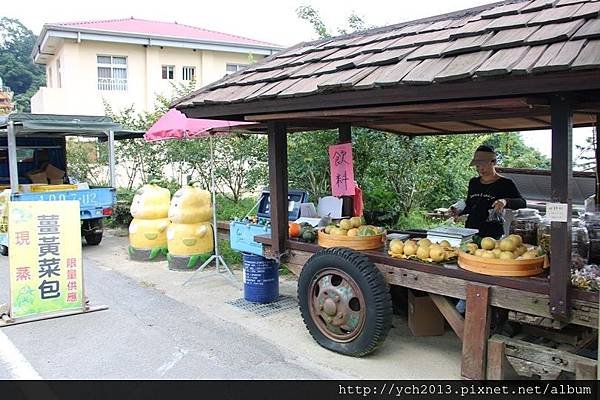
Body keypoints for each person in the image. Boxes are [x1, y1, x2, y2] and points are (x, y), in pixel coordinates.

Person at [449, 145, 526, 240]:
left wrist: (505, 201)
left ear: (494, 162)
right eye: (477, 166)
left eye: (484, 165)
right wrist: (458, 211)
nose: (480, 169)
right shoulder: (473, 182)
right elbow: (470, 205)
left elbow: (522, 202)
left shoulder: (505, 183)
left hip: (492, 234)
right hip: (470, 232)